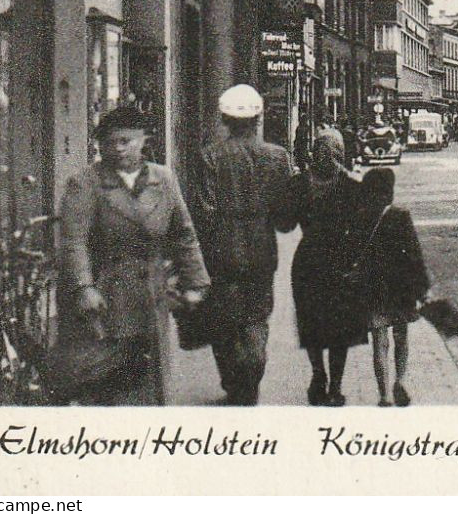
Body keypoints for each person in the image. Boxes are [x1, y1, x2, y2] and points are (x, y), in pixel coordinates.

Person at [57, 106, 209, 405]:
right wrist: (84, 287)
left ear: (143, 140)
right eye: (109, 142)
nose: (118, 148)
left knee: (149, 378)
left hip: (151, 293)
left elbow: (183, 234)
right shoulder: (85, 182)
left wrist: (195, 282)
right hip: (105, 294)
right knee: (108, 381)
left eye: (126, 140)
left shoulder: (164, 179)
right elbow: (73, 240)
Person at [181, 84, 294, 406]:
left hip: (220, 253)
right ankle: (254, 367)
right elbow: (285, 219)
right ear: (259, 118)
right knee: (257, 316)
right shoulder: (278, 158)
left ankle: (235, 380)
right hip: (261, 253)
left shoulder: (210, 157)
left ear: (223, 118)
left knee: (224, 319)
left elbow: (202, 213)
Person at [278, 127, 366, 407]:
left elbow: (285, 224)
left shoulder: (299, 183)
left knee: (311, 321)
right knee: (339, 326)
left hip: (309, 261)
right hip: (340, 260)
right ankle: (335, 387)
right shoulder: (352, 185)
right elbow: (363, 230)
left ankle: (319, 377)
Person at [358, 167, 431, 407]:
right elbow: (414, 255)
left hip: (374, 289)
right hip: (401, 289)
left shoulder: (361, 217)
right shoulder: (401, 216)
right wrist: (422, 287)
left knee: (380, 343)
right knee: (401, 338)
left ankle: (384, 395)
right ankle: (401, 380)